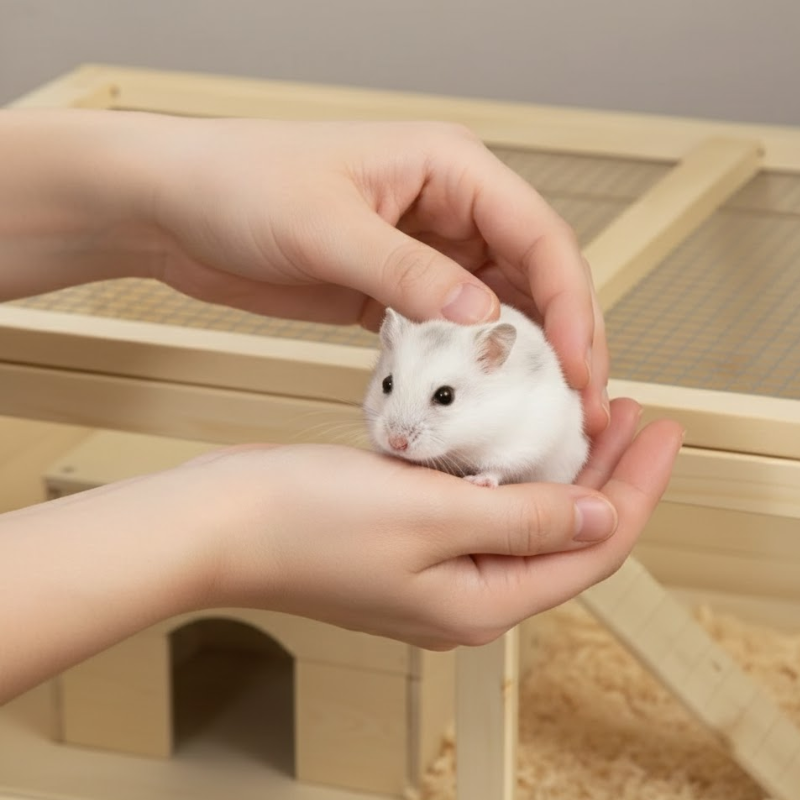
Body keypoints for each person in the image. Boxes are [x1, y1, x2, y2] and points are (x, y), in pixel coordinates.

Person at [0, 110, 683, 704]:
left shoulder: (520, 380)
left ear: (494, 365)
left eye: (441, 399)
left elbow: (537, 437)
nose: (398, 427)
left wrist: (167, 197)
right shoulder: (409, 354)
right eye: (389, 389)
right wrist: (229, 530)